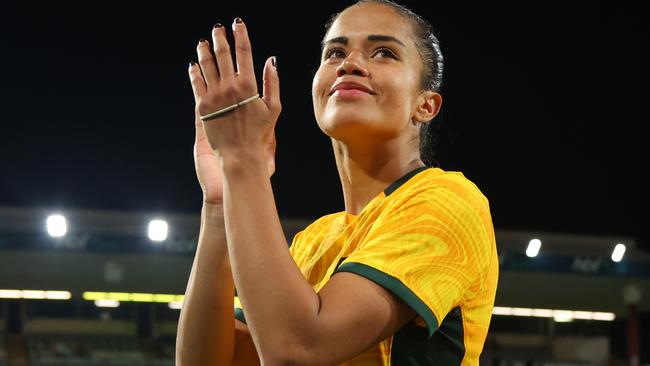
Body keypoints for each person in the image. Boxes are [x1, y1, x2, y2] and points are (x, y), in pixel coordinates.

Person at [175, 0, 498, 365]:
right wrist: (220, 205)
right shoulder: (313, 240)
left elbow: (296, 350)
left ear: (425, 105)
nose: (350, 64)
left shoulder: (448, 201)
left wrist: (244, 162)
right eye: (335, 52)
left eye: (384, 53)